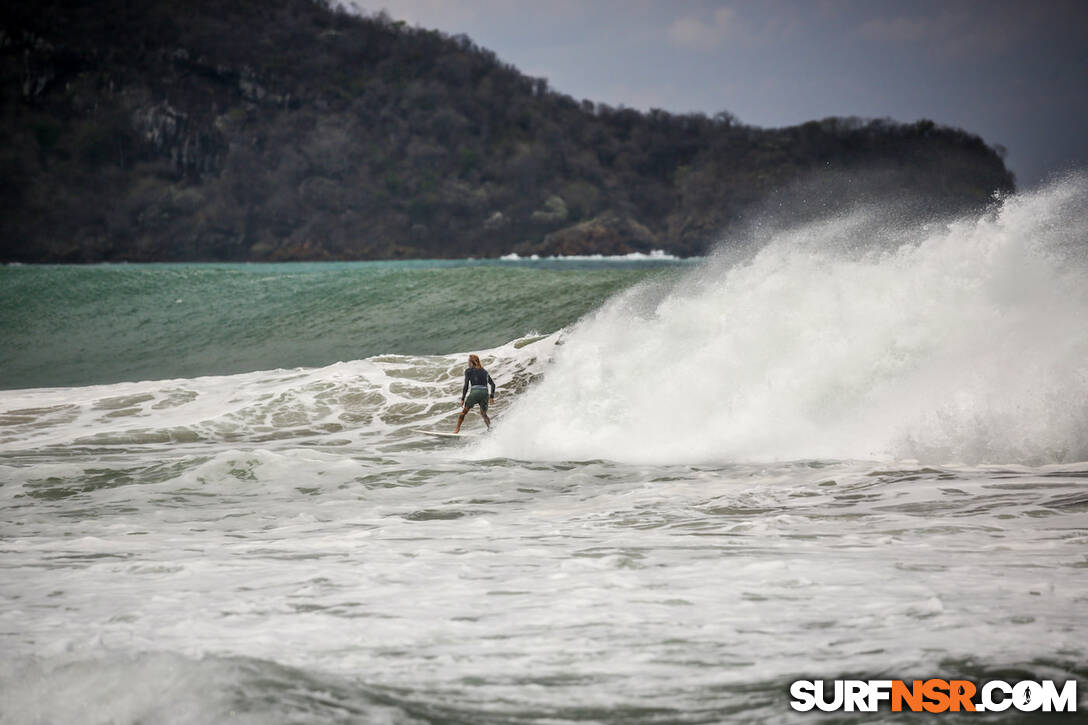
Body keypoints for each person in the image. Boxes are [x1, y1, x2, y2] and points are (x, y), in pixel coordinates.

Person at [455, 353, 495, 433]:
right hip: (485, 393)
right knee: (483, 414)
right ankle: (490, 429)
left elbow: (466, 385)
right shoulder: (485, 371)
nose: (467, 363)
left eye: (468, 361)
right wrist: (491, 397)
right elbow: (493, 384)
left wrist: (463, 398)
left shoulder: (468, 371)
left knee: (464, 412)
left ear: (471, 362)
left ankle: (457, 430)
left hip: (475, 393)